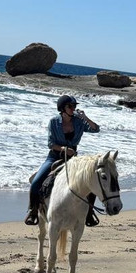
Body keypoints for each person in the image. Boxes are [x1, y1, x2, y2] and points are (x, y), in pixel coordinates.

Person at [25, 95, 100, 225]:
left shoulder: (79, 122)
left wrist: (85, 117)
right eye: (70, 106)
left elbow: (95, 129)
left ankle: (89, 214)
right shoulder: (54, 122)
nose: (73, 109)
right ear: (62, 108)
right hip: (55, 156)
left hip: (73, 159)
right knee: (36, 182)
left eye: (74, 106)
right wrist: (64, 149)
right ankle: (33, 211)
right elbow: (50, 144)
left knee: (90, 182)